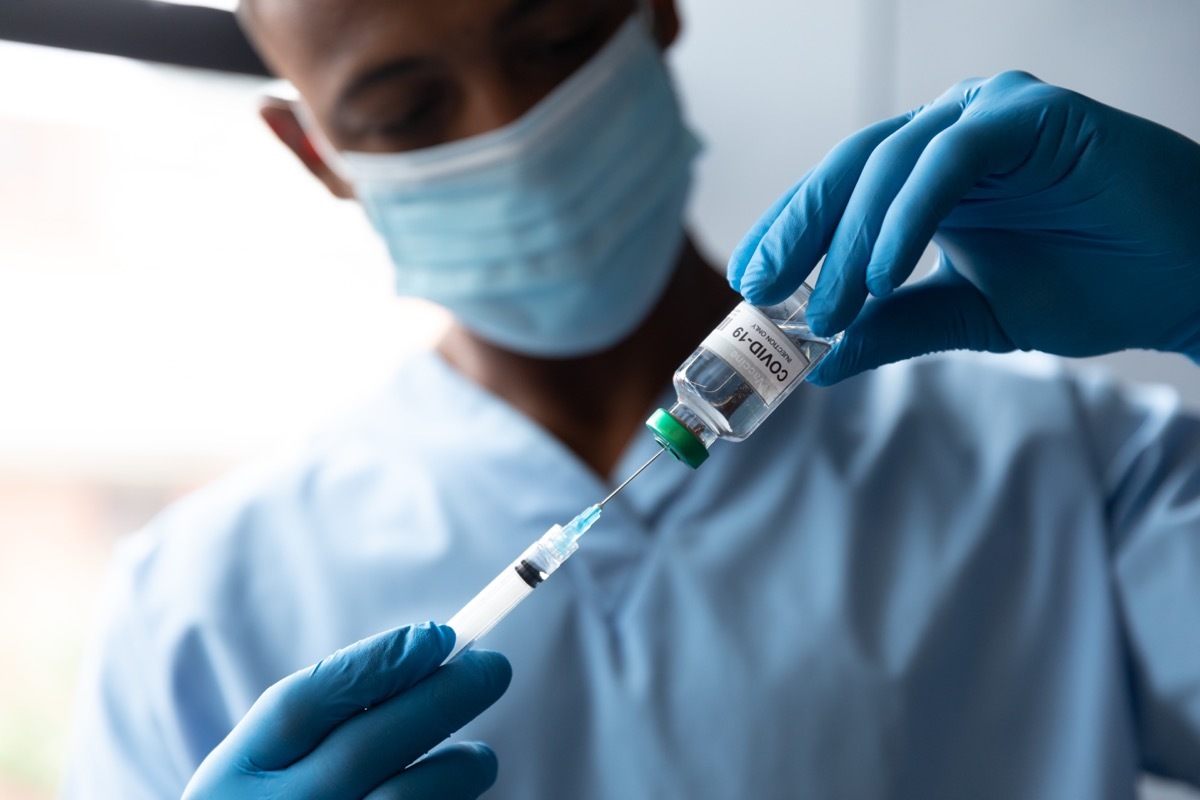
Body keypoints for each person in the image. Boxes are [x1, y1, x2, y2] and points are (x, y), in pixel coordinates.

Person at [62, 0, 1200, 797]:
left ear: (650, 8)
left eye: (554, 37)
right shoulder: (198, 602)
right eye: (406, 109)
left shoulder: (1073, 467)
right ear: (312, 148)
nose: (510, 127)